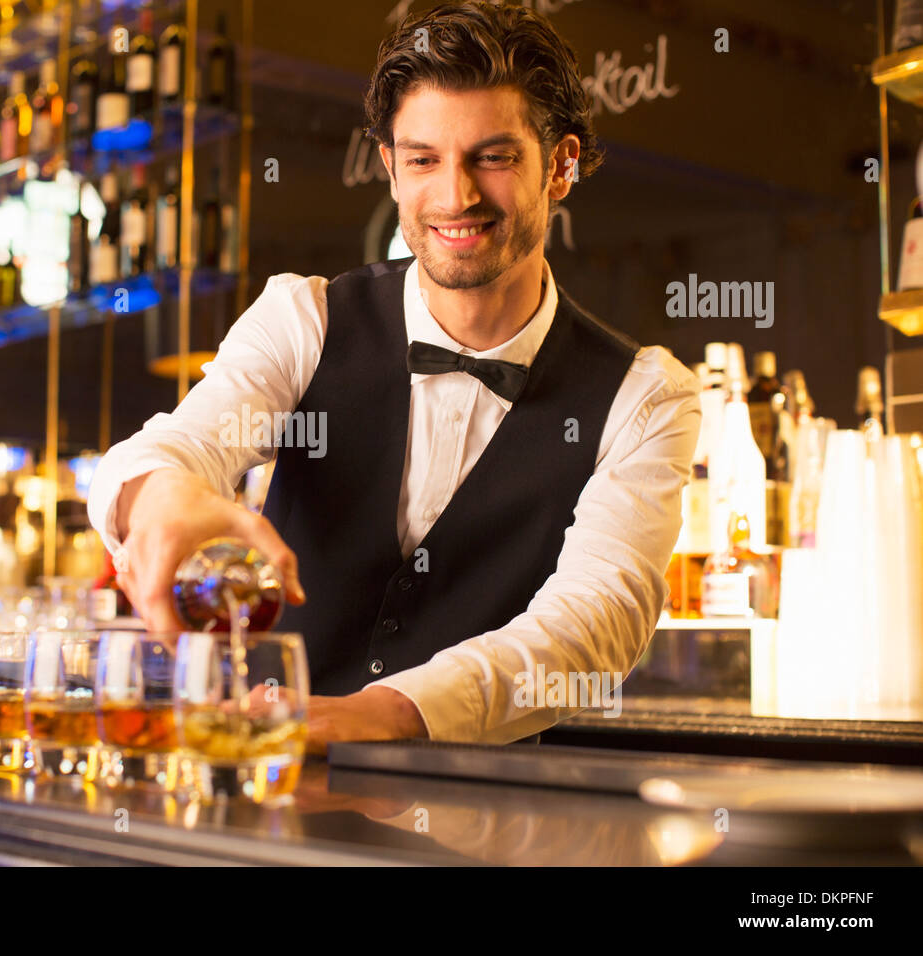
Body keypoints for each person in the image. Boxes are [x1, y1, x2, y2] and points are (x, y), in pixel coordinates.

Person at [88, 1, 701, 751]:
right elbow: (180, 445)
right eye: (423, 160)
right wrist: (165, 498)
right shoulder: (304, 320)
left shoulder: (645, 398)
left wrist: (387, 714)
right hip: (271, 799)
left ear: (562, 165)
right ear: (389, 166)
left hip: (486, 827)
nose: (455, 196)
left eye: (495, 157)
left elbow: (592, 624)